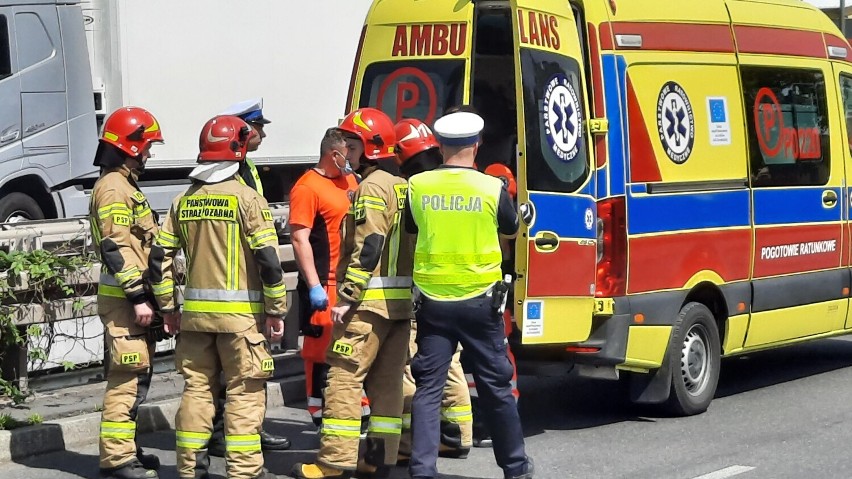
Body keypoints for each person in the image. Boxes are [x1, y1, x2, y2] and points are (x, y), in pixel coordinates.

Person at [149, 115, 287, 479]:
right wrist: (276, 311)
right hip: (242, 322)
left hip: (194, 321)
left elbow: (158, 258)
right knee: (244, 393)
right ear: (239, 150)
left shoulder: (183, 200)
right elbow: (270, 263)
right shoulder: (248, 199)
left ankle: (190, 469)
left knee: (197, 391)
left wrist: (168, 307)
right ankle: (243, 472)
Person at [406, 111, 534, 479]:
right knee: (496, 388)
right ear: (476, 145)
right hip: (480, 302)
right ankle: (515, 468)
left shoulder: (418, 185)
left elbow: (414, 230)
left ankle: (422, 471)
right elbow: (511, 229)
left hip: (433, 303)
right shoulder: (490, 187)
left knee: (429, 390)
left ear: (441, 146)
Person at [291, 108, 413, 479]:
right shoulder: (401, 186)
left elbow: (369, 245)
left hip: (367, 305)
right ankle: (381, 459)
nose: (347, 149)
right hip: (398, 304)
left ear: (368, 146)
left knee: (343, 379)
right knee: (388, 384)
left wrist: (346, 297)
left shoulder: (371, 188)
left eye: (352, 143)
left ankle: (332, 464)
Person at [202, 99, 291, 456]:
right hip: (239, 288)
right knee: (246, 371)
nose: (263, 134)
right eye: (257, 127)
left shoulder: (247, 168)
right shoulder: (230, 172)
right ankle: (236, 435)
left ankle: (244, 429)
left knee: (238, 371)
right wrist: (275, 303)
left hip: (232, 288)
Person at [90, 106, 164, 479]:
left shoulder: (123, 186)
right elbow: (115, 247)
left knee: (138, 376)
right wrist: (137, 296)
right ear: (129, 146)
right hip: (124, 301)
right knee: (128, 377)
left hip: (131, 299)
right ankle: (118, 461)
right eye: (146, 147)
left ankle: (127, 451)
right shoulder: (114, 189)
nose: (149, 154)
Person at [393, 119, 473, 462]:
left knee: (411, 365)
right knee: (452, 363)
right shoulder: (454, 182)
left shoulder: (414, 188)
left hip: (422, 289)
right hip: (458, 287)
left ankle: (411, 444)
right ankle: (459, 436)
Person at [289, 127, 365, 429]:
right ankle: (321, 419)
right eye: (352, 151)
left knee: (350, 355)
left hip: (348, 283)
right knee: (320, 357)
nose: (356, 157)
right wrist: (314, 286)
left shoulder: (352, 181)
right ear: (335, 154)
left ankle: (353, 414)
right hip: (324, 285)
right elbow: (299, 239)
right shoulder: (307, 187)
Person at [219, 98, 269, 196]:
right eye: (259, 129)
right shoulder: (221, 168)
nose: (263, 134)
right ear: (241, 129)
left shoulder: (247, 163)